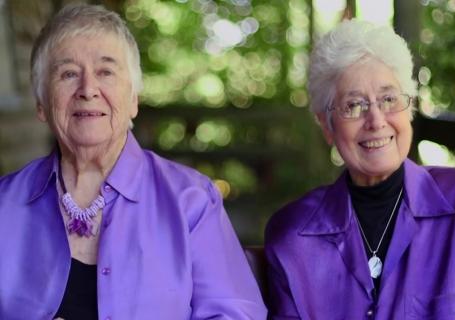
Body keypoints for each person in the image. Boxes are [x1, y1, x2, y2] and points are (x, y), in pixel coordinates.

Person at [0, 4, 267, 320]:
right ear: (42, 104)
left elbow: (235, 314)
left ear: (133, 100)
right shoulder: (4, 204)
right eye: (68, 73)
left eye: (106, 72)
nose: (88, 90)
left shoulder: (191, 202)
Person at [265, 19, 455, 319]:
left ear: (410, 109)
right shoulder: (293, 237)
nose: (376, 120)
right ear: (327, 126)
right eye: (354, 105)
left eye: (389, 99)